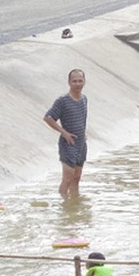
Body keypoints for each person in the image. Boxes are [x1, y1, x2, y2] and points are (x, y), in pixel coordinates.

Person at [44, 68, 88, 199]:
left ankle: (74, 203)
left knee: (77, 178)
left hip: (81, 144)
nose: (78, 84)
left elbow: (83, 117)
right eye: (74, 81)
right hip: (68, 144)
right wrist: (64, 132)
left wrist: (83, 131)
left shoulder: (84, 99)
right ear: (69, 82)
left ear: (84, 81)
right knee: (67, 178)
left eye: (80, 80)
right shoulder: (62, 101)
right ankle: (63, 204)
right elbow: (48, 117)